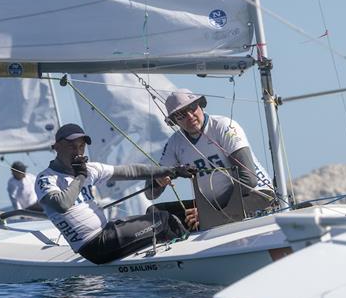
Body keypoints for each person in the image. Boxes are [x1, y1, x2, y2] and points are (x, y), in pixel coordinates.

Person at [35, 123, 193, 265]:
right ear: (57, 147)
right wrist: (80, 177)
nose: (77, 152)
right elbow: (62, 204)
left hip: (107, 234)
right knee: (164, 220)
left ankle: (165, 257)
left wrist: (173, 170)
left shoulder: (90, 169)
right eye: (72, 146)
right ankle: (190, 257)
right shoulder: (46, 178)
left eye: (81, 146)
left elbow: (132, 171)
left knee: (154, 214)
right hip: (95, 245)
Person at [145, 89, 275, 230]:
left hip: (255, 196)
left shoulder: (224, 126)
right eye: (181, 115)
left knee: (207, 216)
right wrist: (157, 181)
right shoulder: (175, 143)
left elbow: (249, 179)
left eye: (192, 108)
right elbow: (150, 193)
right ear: (174, 121)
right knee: (155, 215)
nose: (190, 116)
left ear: (200, 105)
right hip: (212, 206)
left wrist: (209, 212)